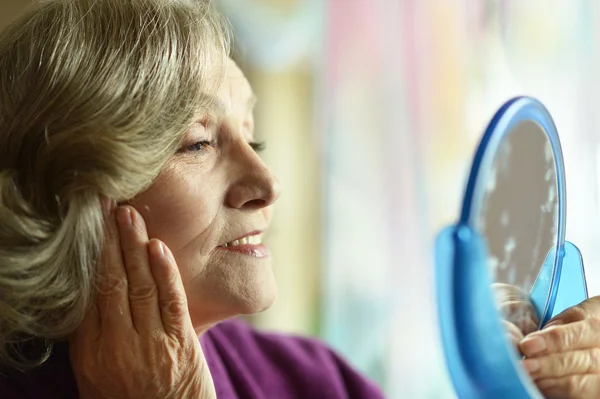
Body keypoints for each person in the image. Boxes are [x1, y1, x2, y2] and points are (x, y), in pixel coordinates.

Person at [0, 1, 597, 398]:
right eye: (198, 143)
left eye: (252, 136)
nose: (267, 182)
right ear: (68, 196)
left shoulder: (311, 379)